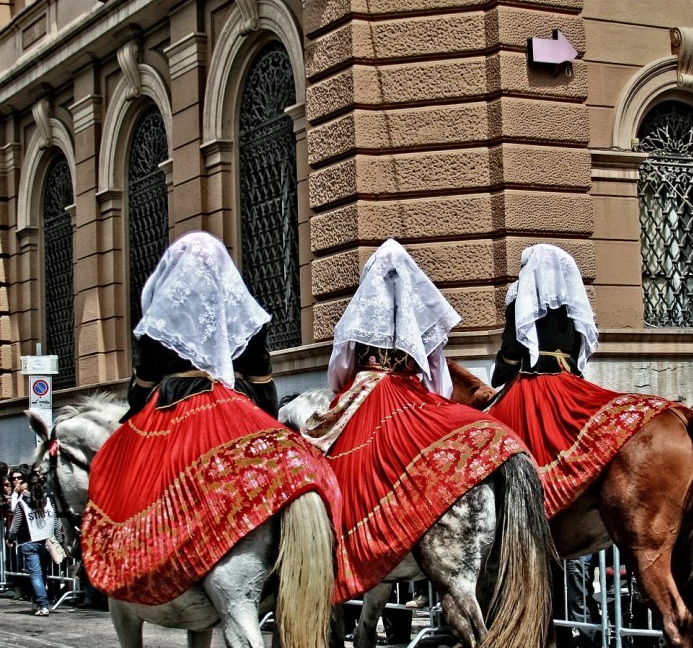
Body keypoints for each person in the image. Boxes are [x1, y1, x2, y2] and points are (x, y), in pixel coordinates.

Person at [82, 231, 339, 605]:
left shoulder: (159, 324)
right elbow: (264, 386)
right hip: (235, 404)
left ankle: (144, 566)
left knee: (117, 472)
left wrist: (137, 418)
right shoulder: (247, 317)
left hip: (171, 406)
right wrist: (266, 430)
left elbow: (139, 393)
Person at [301, 238, 528, 607]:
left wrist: (350, 389)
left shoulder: (359, 316)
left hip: (366, 390)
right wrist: (430, 402)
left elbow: (339, 371)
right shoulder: (420, 316)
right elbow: (437, 375)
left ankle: (336, 550)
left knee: (324, 457)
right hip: (411, 392)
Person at [488, 244, 676, 648]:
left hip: (532, 388)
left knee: (488, 449)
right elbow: (581, 350)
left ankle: (516, 521)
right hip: (573, 383)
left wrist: (501, 372)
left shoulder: (521, 297)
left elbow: (512, 354)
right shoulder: (572, 302)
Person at [6, 478, 64, 616]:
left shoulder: (22, 503)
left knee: (35, 575)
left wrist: (10, 539)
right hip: (47, 541)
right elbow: (55, 522)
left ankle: (42, 604)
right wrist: (59, 541)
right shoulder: (49, 501)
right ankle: (39, 602)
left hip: (29, 542)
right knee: (42, 573)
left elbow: (16, 524)